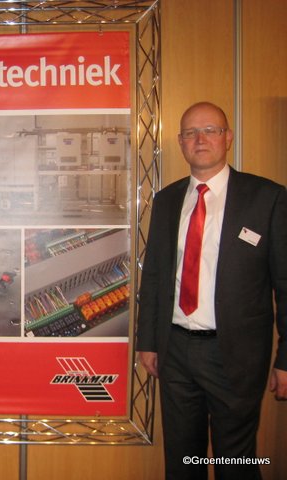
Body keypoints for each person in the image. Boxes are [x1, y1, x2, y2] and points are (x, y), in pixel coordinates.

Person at [137, 101, 287, 479]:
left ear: (228, 137)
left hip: (235, 355)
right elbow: (153, 276)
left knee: (235, 461)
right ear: (180, 142)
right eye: (190, 133)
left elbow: (286, 284)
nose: (200, 139)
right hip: (175, 350)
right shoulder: (167, 200)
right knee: (182, 460)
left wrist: (286, 358)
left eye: (210, 130)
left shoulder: (267, 198)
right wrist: (148, 341)